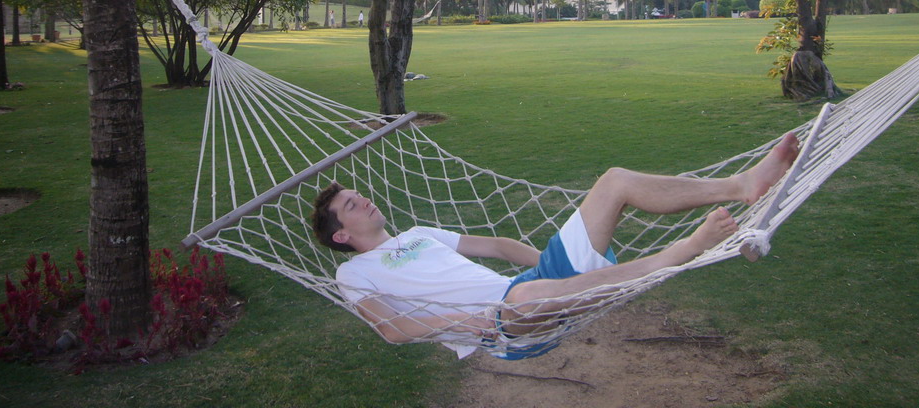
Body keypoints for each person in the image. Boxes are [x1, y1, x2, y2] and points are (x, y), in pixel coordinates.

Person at [312, 132, 799, 358]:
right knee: (522, 298)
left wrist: (553, 269)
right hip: (501, 328)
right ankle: (680, 252)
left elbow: (501, 246)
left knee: (613, 181)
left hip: (530, 287)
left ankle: (742, 185)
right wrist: (473, 321)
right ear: (341, 235)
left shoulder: (417, 235)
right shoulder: (352, 274)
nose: (366, 202)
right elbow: (394, 330)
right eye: (353, 206)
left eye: (359, 195)